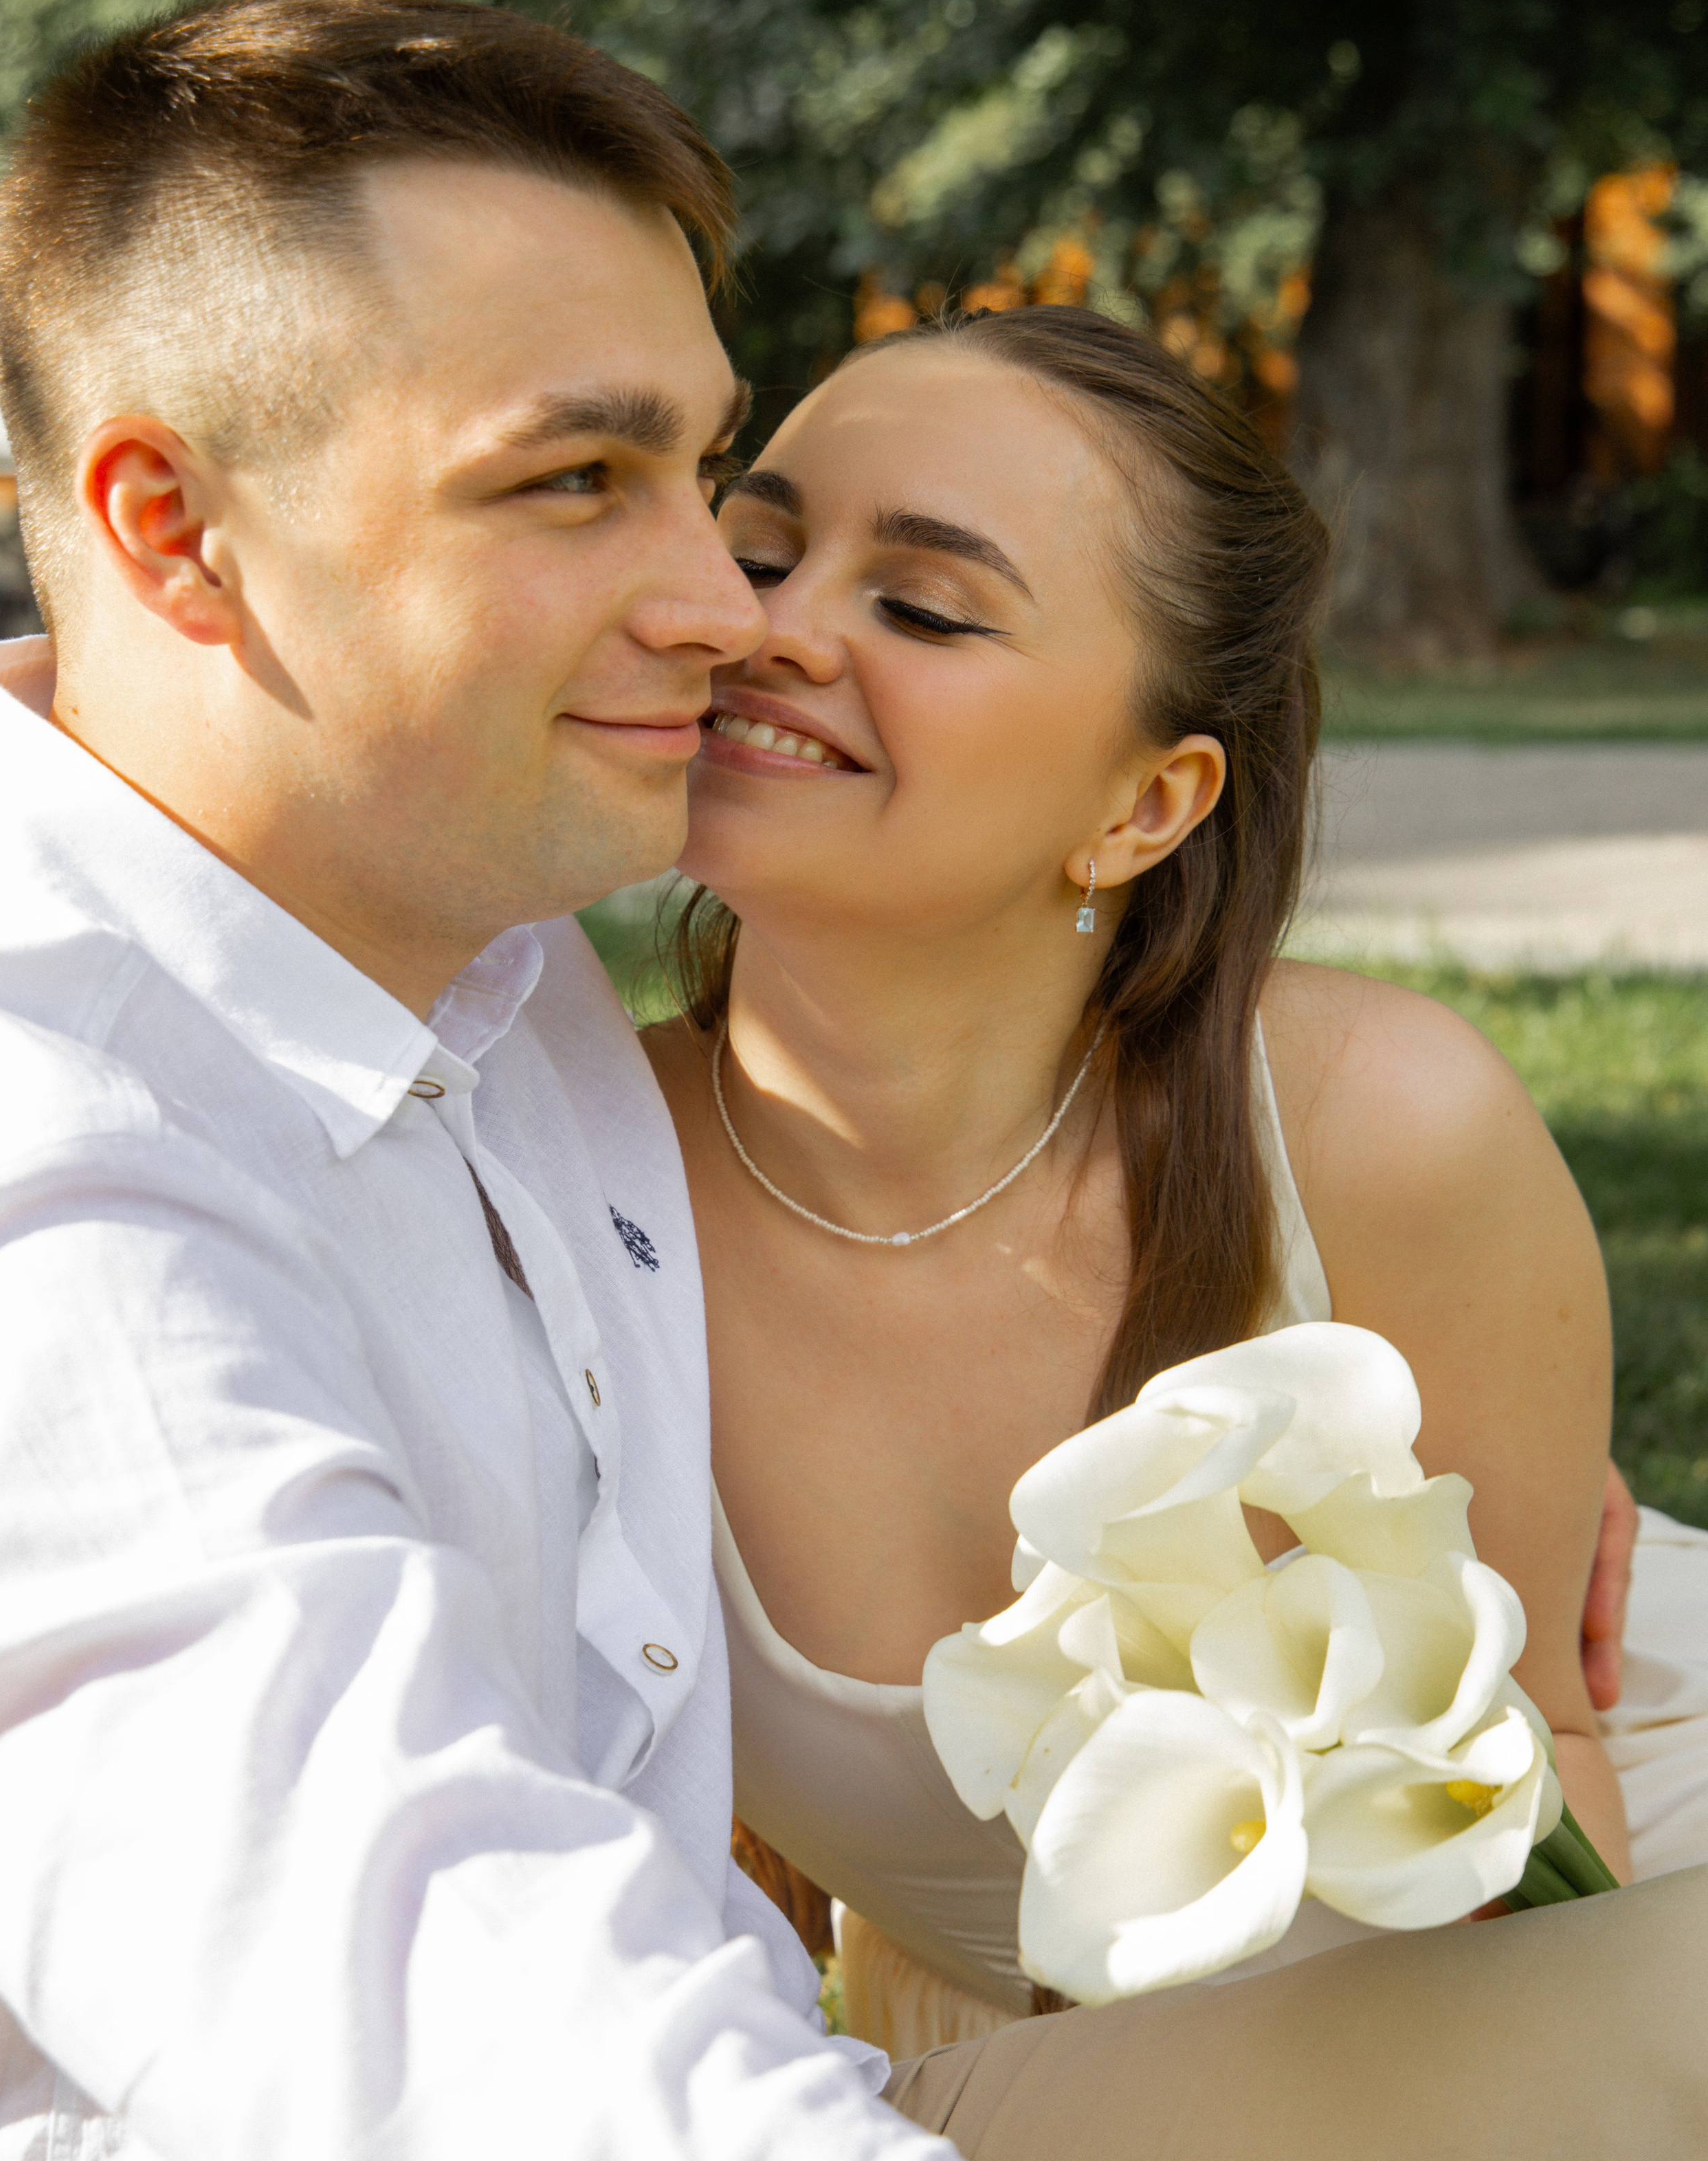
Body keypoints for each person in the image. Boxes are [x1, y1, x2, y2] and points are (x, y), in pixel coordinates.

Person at [0, 0, 1254, 2161]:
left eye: (707, 473)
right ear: (173, 527)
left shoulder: (487, 946)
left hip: (823, 2160)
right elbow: (473, 2039)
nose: (732, 606)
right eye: (576, 486)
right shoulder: (31, 1188)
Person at [643, 300, 1708, 2046]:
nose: (770, 629)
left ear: (1145, 804)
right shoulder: (546, 1181)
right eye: (752, 548)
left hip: (1574, 1983)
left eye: (918, 604)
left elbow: (1544, 1779)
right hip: (1049, 2108)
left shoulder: (1380, 1126)